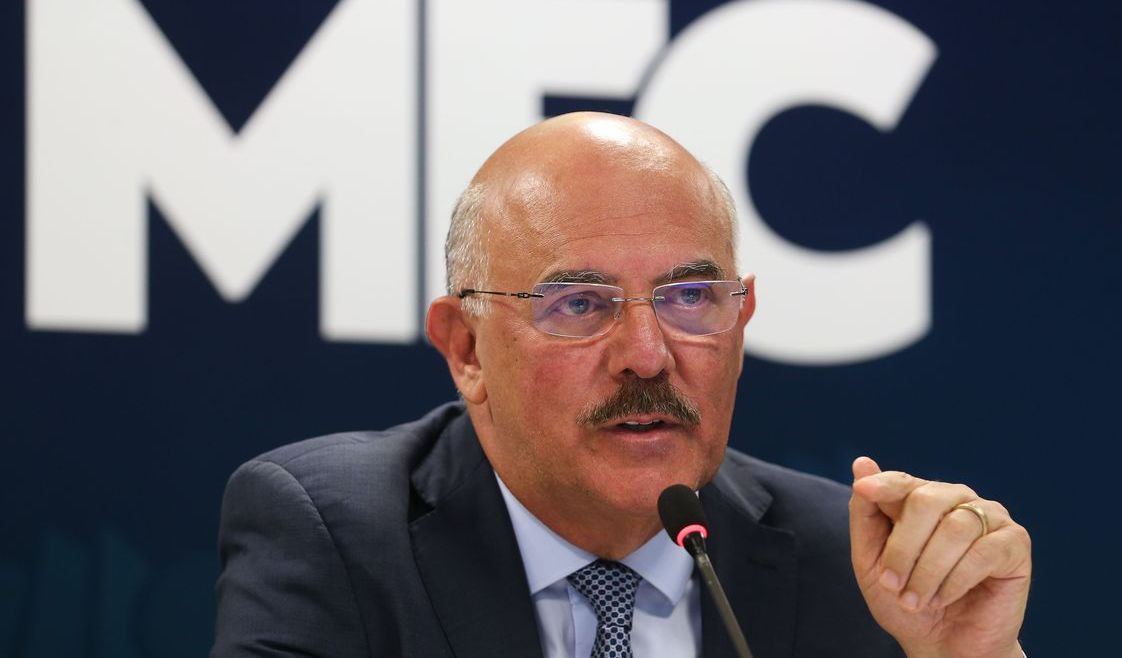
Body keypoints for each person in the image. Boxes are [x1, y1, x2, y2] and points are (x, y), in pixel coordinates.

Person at [212, 112, 1031, 658]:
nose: (646, 355)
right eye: (578, 304)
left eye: (689, 298)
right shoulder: (337, 536)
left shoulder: (858, 570)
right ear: (466, 348)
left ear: (741, 321)